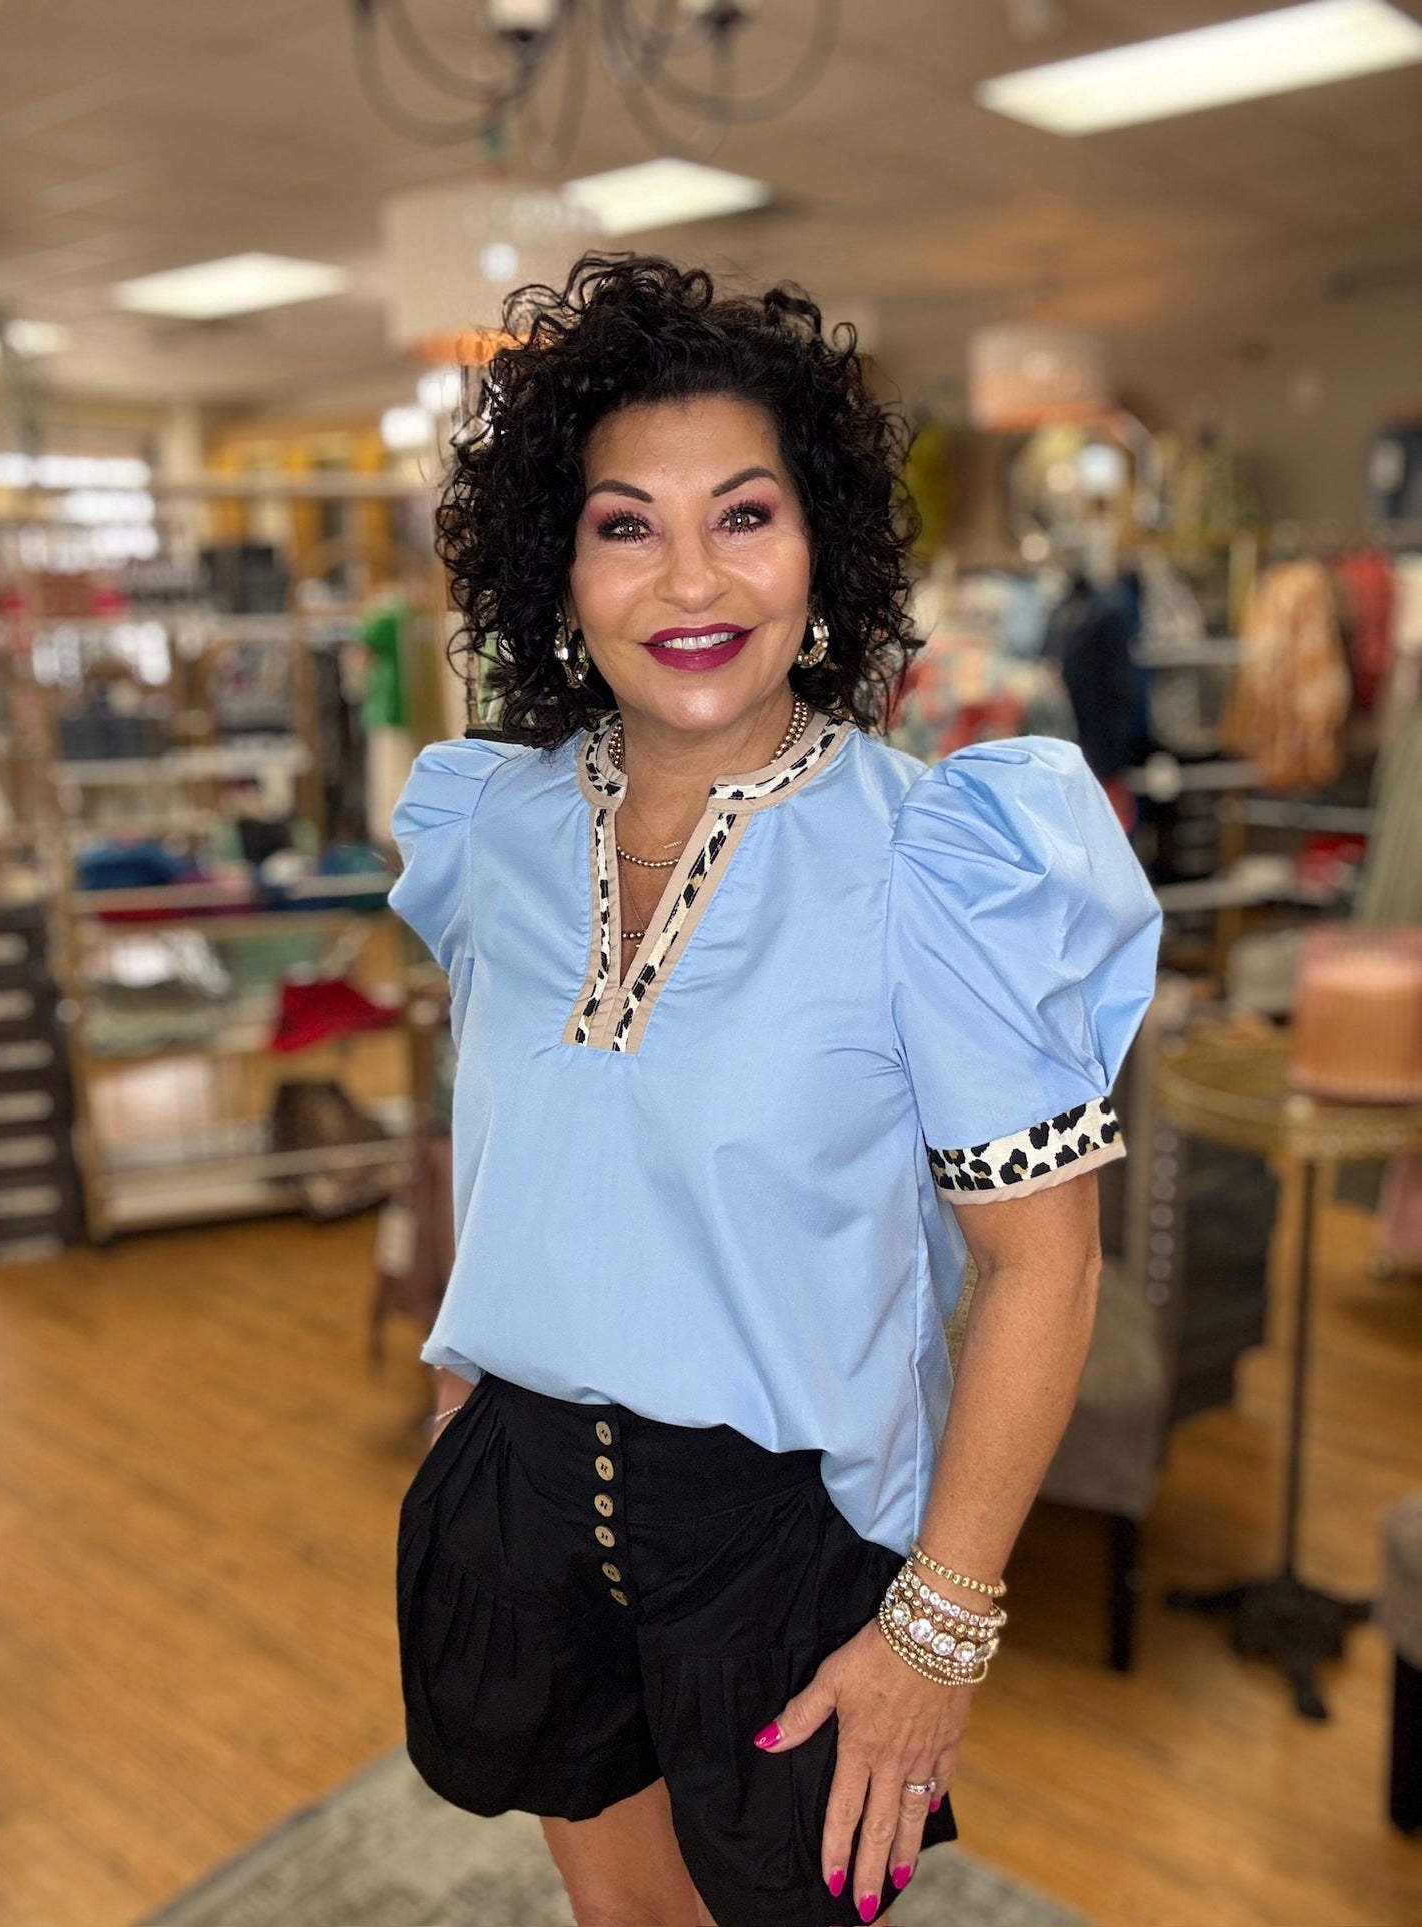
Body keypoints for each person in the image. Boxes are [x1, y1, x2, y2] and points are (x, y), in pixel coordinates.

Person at [390, 256, 1161, 1927]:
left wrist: (938, 1627)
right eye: (625, 525)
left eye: (742, 515)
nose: (690, 577)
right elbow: (506, 1144)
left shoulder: (939, 858)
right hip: (519, 1490)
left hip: (786, 1535)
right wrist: (456, 1426)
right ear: (558, 566)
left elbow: (1045, 1267)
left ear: (820, 550)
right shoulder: (488, 828)